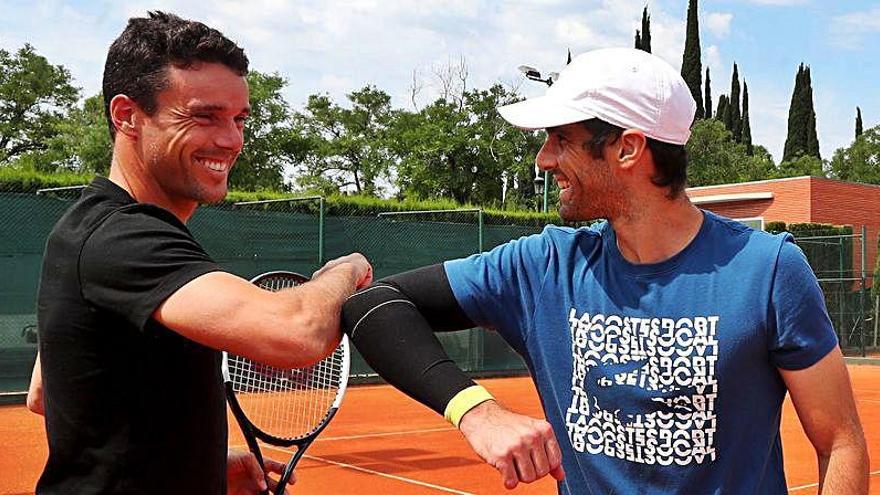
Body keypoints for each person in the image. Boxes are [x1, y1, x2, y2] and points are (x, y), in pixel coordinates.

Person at [340, 48, 869, 494]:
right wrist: (477, 412)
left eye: (561, 138)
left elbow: (840, 443)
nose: (543, 160)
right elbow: (372, 305)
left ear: (628, 148)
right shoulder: (541, 266)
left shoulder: (770, 270)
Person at [27, 12, 372, 494]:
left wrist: (201, 462)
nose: (231, 139)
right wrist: (346, 269)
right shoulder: (123, 239)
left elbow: (46, 393)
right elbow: (296, 334)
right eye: (203, 116)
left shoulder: (86, 225)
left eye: (239, 119)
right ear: (126, 115)